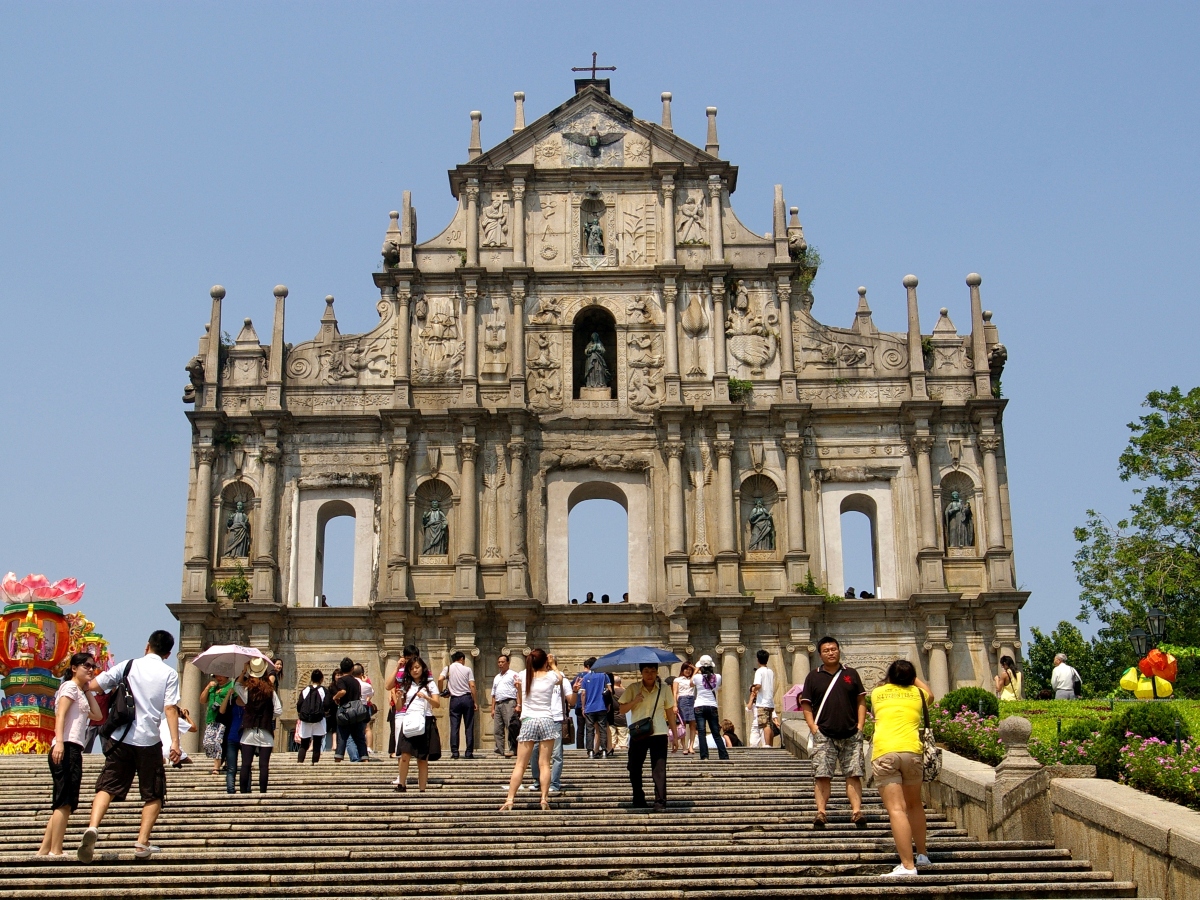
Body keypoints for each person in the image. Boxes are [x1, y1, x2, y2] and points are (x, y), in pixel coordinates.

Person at [77, 629, 181, 862]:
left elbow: (93, 685)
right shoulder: (169, 673)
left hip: (121, 737)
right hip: (149, 740)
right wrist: (175, 742)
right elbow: (170, 708)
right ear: (168, 653)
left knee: (107, 785)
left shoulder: (128, 666)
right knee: (154, 793)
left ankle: (93, 826)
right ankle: (142, 842)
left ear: (147, 646)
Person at [870, 659, 933, 878]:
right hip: (912, 752)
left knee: (897, 809)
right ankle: (922, 855)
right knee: (915, 805)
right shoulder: (919, 695)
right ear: (912, 677)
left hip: (886, 752)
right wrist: (913, 678)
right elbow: (930, 693)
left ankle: (907, 865)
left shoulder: (878, 694)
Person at [38, 652, 103, 857]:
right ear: (74, 668)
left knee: (64, 801)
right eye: (86, 665)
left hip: (74, 748)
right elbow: (61, 715)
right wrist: (59, 743)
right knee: (64, 802)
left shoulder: (79, 691)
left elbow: (98, 715)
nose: (91, 669)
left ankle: (44, 849)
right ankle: (56, 850)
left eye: (93, 666)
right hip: (65, 745)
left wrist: (88, 690)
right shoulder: (68, 687)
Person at [799, 636, 867, 829]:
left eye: (833, 649)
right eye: (826, 650)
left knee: (854, 773)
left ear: (839, 650)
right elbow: (806, 704)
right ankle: (821, 812)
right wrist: (813, 728)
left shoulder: (851, 674)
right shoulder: (813, 676)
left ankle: (856, 811)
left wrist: (860, 726)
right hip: (824, 734)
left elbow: (860, 701)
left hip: (851, 733)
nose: (831, 652)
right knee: (822, 775)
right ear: (820, 655)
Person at [500, 649, 563, 812]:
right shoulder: (550, 676)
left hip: (528, 721)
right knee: (544, 764)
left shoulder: (523, 675)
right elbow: (560, 678)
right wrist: (553, 665)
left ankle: (510, 799)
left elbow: (516, 681)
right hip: (547, 720)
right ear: (544, 662)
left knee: (520, 764)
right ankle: (544, 798)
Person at [618, 663, 678, 811]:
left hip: (659, 732)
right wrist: (635, 701)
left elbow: (670, 712)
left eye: (653, 671)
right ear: (641, 672)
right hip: (639, 733)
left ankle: (660, 802)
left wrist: (675, 735)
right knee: (634, 767)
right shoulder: (633, 688)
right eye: (646, 671)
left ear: (657, 672)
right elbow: (621, 709)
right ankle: (638, 797)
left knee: (659, 769)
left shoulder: (664, 689)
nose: (650, 674)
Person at [393, 656, 440, 792]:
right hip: (409, 720)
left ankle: (422, 789)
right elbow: (398, 707)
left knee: (422, 758)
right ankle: (401, 784)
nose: (415, 670)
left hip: (425, 720)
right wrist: (398, 697)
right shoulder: (405, 685)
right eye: (412, 668)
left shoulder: (430, 684)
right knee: (404, 755)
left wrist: (426, 697)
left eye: (417, 667)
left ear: (423, 668)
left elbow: (437, 704)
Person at [529, 653, 574, 794]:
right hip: (539, 717)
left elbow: (572, 701)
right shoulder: (537, 677)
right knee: (534, 751)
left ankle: (554, 783)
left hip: (556, 718)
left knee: (556, 754)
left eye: (550, 662)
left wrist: (576, 691)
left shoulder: (562, 679)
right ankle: (537, 780)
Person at [235, 657, 281, 793]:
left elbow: (236, 686)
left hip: (249, 731)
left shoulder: (247, 691)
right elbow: (278, 710)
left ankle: (243, 792)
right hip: (265, 732)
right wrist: (268, 716)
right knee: (264, 765)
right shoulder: (271, 692)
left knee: (246, 765)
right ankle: (263, 792)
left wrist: (243, 672)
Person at [439, 650, 477, 760]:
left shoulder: (448, 668)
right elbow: (472, 686)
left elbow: (440, 679)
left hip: (454, 700)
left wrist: (441, 691)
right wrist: (475, 701)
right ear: (462, 659)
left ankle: (455, 752)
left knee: (454, 726)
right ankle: (469, 752)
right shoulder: (467, 669)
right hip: (466, 698)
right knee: (469, 726)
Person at [691, 655, 728, 761]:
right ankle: (723, 755)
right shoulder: (718, 677)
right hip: (712, 706)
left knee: (701, 732)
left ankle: (704, 756)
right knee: (716, 732)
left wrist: (696, 670)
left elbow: (690, 684)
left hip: (699, 706)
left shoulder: (697, 677)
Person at [331, 657, 368, 762]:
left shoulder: (341, 680)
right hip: (356, 712)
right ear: (352, 669)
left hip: (346, 712)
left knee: (342, 736)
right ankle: (365, 758)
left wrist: (335, 697)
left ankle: (338, 758)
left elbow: (343, 691)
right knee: (359, 737)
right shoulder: (356, 681)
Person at [200, 674, 232, 775]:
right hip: (211, 719)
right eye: (216, 676)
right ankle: (222, 761)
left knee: (218, 742)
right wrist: (207, 687)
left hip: (224, 719)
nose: (218, 678)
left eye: (221, 676)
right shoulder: (213, 687)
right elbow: (202, 700)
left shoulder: (231, 686)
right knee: (208, 742)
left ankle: (216, 767)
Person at [579, 657, 611, 758]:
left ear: (589, 666)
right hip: (602, 706)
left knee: (589, 729)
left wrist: (583, 707)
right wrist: (608, 703)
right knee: (602, 729)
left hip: (589, 707)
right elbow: (609, 690)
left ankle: (590, 751)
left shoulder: (586, 678)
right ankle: (604, 750)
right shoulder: (604, 675)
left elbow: (583, 693)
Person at [217, 676, 244, 793]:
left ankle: (246, 790)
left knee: (246, 766)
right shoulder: (231, 702)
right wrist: (228, 694)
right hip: (231, 737)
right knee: (231, 768)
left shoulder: (249, 702)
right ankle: (231, 790)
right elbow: (221, 711)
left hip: (245, 738)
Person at [296, 669, 327, 764]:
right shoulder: (323, 690)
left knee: (304, 744)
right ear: (321, 679)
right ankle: (315, 763)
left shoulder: (305, 690)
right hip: (319, 719)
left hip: (306, 720)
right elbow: (327, 704)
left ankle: (300, 763)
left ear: (311, 679)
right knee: (317, 744)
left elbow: (299, 704)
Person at [490, 653, 519, 757]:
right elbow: (493, 693)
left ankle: (513, 749)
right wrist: (492, 708)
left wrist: (518, 704)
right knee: (497, 729)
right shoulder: (497, 677)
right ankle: (499, 750)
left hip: (509, 702)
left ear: (508, 663)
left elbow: (518, 690)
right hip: (498, 704)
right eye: (499, 662)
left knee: (511, 727)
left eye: (502, 662)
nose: (500, 664)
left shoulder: (513, 674)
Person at [747, 649, 777, 748]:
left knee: (765, 725)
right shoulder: (770, 671)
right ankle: (769, 744)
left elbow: (758, 685)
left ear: (758, 659)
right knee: (769, 725)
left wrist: (753, 689)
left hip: (762, 702)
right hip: (770, 702)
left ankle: (767, 745)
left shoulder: (759, 671)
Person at [352, 663, 378, 759]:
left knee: (362, 729)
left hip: (355, 708)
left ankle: (358, 752)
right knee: (366, 728)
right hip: (364, 707)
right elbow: (371, 693)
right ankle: (368, 748)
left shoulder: (351, 682)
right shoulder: (366, 682)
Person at [672, 663, 697, 754]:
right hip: (682, 700)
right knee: (682, 725)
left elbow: (701, 673)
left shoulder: (694, 678)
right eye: (686, 669)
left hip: (692, 700)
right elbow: (675, 693)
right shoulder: (677, 679)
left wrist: (694, 668)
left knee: (693, 724)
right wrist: (675, 705)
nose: (688, 671)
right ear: (682, 670)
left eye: (690, 669)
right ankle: (684, 746)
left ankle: (691, 746)